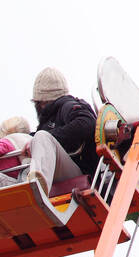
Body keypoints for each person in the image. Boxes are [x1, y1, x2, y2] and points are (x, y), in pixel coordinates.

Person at [26, 67, 98, 195]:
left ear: (41, 102)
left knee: (42, 137)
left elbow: (87, 123)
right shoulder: (48, 121)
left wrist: (49, 138)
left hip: (77, 171)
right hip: (53, 173)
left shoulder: (68, 106)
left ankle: (37, 190)